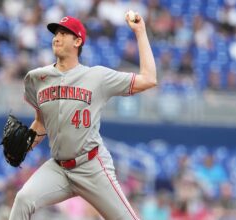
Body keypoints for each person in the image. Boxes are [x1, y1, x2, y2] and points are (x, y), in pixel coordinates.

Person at [9, 12, 157, 220]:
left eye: (63, 33)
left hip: (92, 166)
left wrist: (140, 31)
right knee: (23, 199)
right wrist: (23, 146)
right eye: (55, 33)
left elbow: (149, 79)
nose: (56, 37)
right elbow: (41, 124)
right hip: (58, 168)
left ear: (78, 41)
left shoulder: (97, 76)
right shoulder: (37, 78)